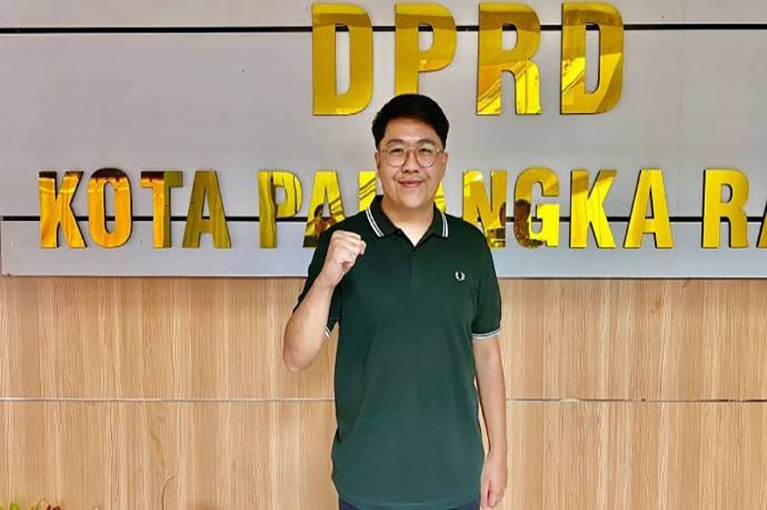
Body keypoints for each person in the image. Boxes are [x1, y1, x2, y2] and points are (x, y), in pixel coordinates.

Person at [283, 94, 507, 510]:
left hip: (456, 481)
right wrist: (328, 277)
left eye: (425, 151)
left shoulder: (470, 246)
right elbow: (296, 356)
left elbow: (487, 353)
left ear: (443, 161)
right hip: (368, 484)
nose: (411, 165)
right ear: (378, 160)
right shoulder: (343, 243)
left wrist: (499, 453)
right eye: (397, 151)